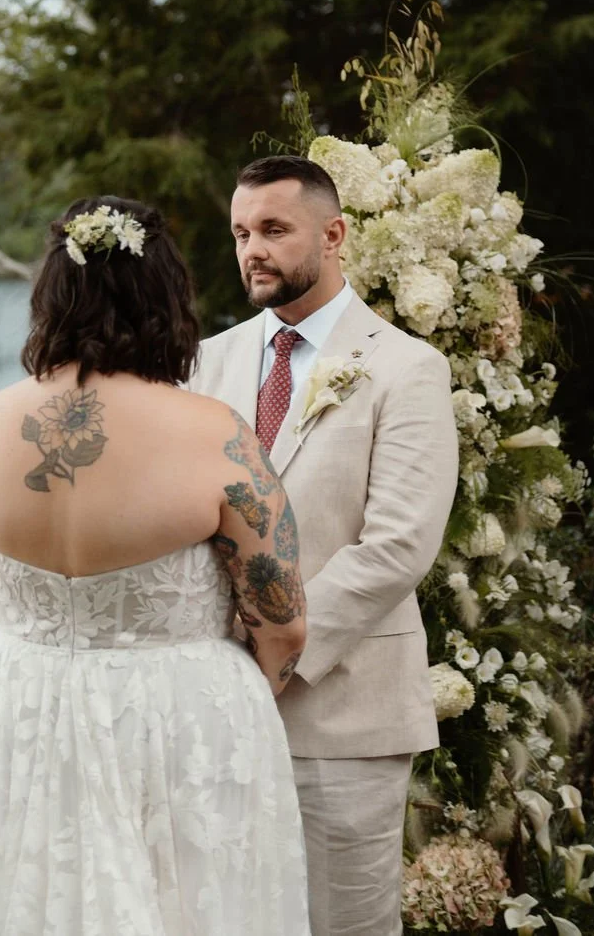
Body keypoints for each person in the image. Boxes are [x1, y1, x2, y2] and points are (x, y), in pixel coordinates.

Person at [0, 196, 310, 936]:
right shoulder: (215, 438)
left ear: (52, 299)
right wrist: (223, 690)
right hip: (177, 728)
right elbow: (284, 623)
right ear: (168, 301)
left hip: (18, 711)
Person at [189, 156, 458, 936]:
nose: (252, 250)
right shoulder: (208, 361)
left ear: (334, 233)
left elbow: (398, 545)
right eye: (241, 232)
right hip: (217, 710)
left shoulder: (407, 366)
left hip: (343, 711)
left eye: (274, 229)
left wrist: (276, 649)